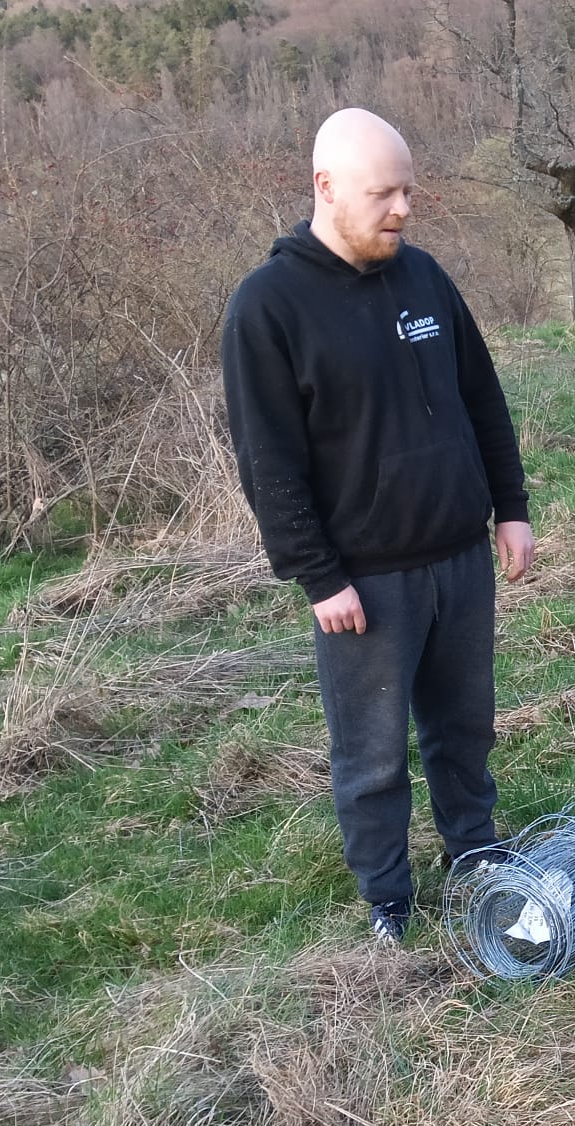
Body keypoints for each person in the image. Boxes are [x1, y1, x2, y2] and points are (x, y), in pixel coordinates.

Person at [222, 108, 534, 945]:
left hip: (459, 557)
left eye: (407, 190)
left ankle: (476, 854)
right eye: (382, 193)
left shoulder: (425, 279)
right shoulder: (268, 307)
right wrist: (319, 577)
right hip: (364, 582)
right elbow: (269, 461)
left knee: (464, 726)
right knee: (371, 754)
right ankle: (388, 902)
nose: (403, 208)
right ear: (325, 188)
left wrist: (511, 510)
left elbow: (482, 400)